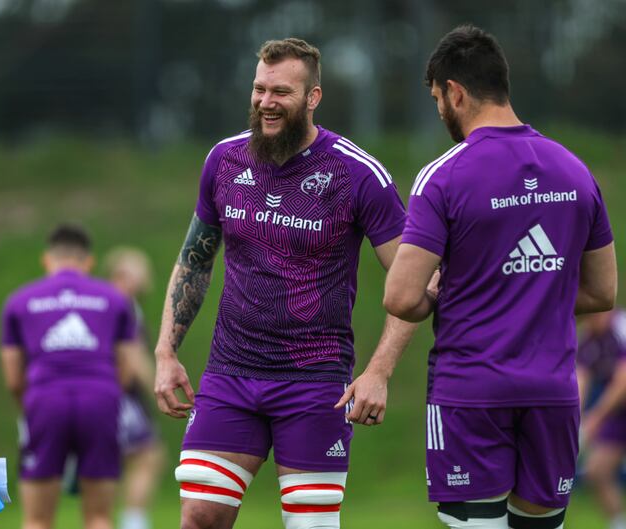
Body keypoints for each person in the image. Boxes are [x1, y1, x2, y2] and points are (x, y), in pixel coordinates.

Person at [153, 38, 415, 529]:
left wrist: (379, 371)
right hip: (231, 373)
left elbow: (414, 283)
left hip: (315, 382)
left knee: (310, 525)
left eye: (281, 93)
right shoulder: (224, 160)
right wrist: (166, 351)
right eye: (259, 89)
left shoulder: (357, 174)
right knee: (200, 517)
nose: (265, 103)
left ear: (313, 97)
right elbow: (195, 259)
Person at [384, 24, 618, 529]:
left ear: (455, 92)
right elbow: (603, 291)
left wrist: (448, 296)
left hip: (471, 391)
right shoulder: (575, 170)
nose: (439, 111)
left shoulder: (443, 175)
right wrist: (533, 294)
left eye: (437, 99)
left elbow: (401, 297)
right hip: (553, 391)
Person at [0, 225, 140, 529]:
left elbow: (13, 377)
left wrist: (30, 405)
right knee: (99, 517)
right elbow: (127, 366)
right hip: (100, 400)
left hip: (45, 400)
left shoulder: (20, 301)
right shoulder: (115, 299)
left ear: (46, 260)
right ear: (88, 261)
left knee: (37, 520)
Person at [104, 247, 165, 529]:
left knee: (117, 461)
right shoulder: (123, 305)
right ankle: (133, 522)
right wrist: (158, 387)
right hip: (119, 397)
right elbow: (132, 357)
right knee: (147, 456)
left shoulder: (103, 301)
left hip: (103, 395)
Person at [577, 309, 626, 529]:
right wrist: (577, 418)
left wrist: (596, 416)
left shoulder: (621, 327)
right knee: (597, 470)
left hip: (617, 403)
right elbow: (581, 378)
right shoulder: (588, 336)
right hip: (619, 411)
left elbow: (623, 381)